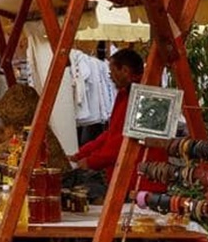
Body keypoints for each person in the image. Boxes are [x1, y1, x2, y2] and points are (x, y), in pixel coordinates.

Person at [67, 48, 166, 201]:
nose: (110, 77)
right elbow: (112, 132)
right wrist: (81, 154)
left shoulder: (147, 96)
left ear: (125, 70)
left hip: (141, 181)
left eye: (112, 72)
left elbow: (123, 141)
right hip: (128, 177)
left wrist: (91, 160)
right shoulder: (125, 93)